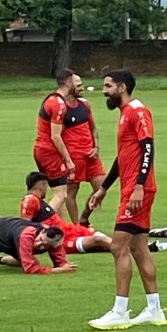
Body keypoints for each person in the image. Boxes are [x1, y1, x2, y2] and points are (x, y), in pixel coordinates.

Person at [85, 69, 166, 330]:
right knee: (138, 248)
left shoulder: (137, 111)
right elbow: (124, 157)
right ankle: (154, 309)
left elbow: (148, 147)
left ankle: (120, 311)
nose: (104, 91)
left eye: (107, 86)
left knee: (118, 246)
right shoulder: (124, 115)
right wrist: (104, 188)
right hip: (131, 189)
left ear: (121, 87)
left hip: (136, 191)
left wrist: (139, 186)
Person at [31, 69, 91, 217]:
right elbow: (56, 136)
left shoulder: (50, 99)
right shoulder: (59, 104)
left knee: (56, 190)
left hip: (40, 149)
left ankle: (58, 228)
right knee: (61, 194)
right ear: (68, 82)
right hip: (49, 152)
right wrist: (68, 160)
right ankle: (40, 225)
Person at [20, 172, 113, 254]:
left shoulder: (37, 201)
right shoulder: (30, 200)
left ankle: (122, 248)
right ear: (41, 186)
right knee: (99, 240)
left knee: (105, 241)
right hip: (65, 239)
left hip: (73, 231)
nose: (46, 190)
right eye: (45, 186)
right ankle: (123, 249)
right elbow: (24, 227)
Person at [63, 74, 105, 226]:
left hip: (91, 155)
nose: (82, 87)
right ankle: (76, 227)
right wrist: (66, 158)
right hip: (73, 156)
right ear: (69, 85)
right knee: (71, 192)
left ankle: (84, 218)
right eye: (78, 85)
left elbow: (92, 127)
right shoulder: (61, 108)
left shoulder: (84, 104)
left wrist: (96, 146)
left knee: (101, 187)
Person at [0, 217, 76, 275]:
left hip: (9, 241)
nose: (38, 244)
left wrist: (64, 265)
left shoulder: (55, 239)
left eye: (45, 245)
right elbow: (29, 269)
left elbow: (61, 263)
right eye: (40, 239)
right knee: (30, 263)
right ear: (41, 231)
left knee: (34, 262)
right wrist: (54, 271)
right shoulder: (26, 235)